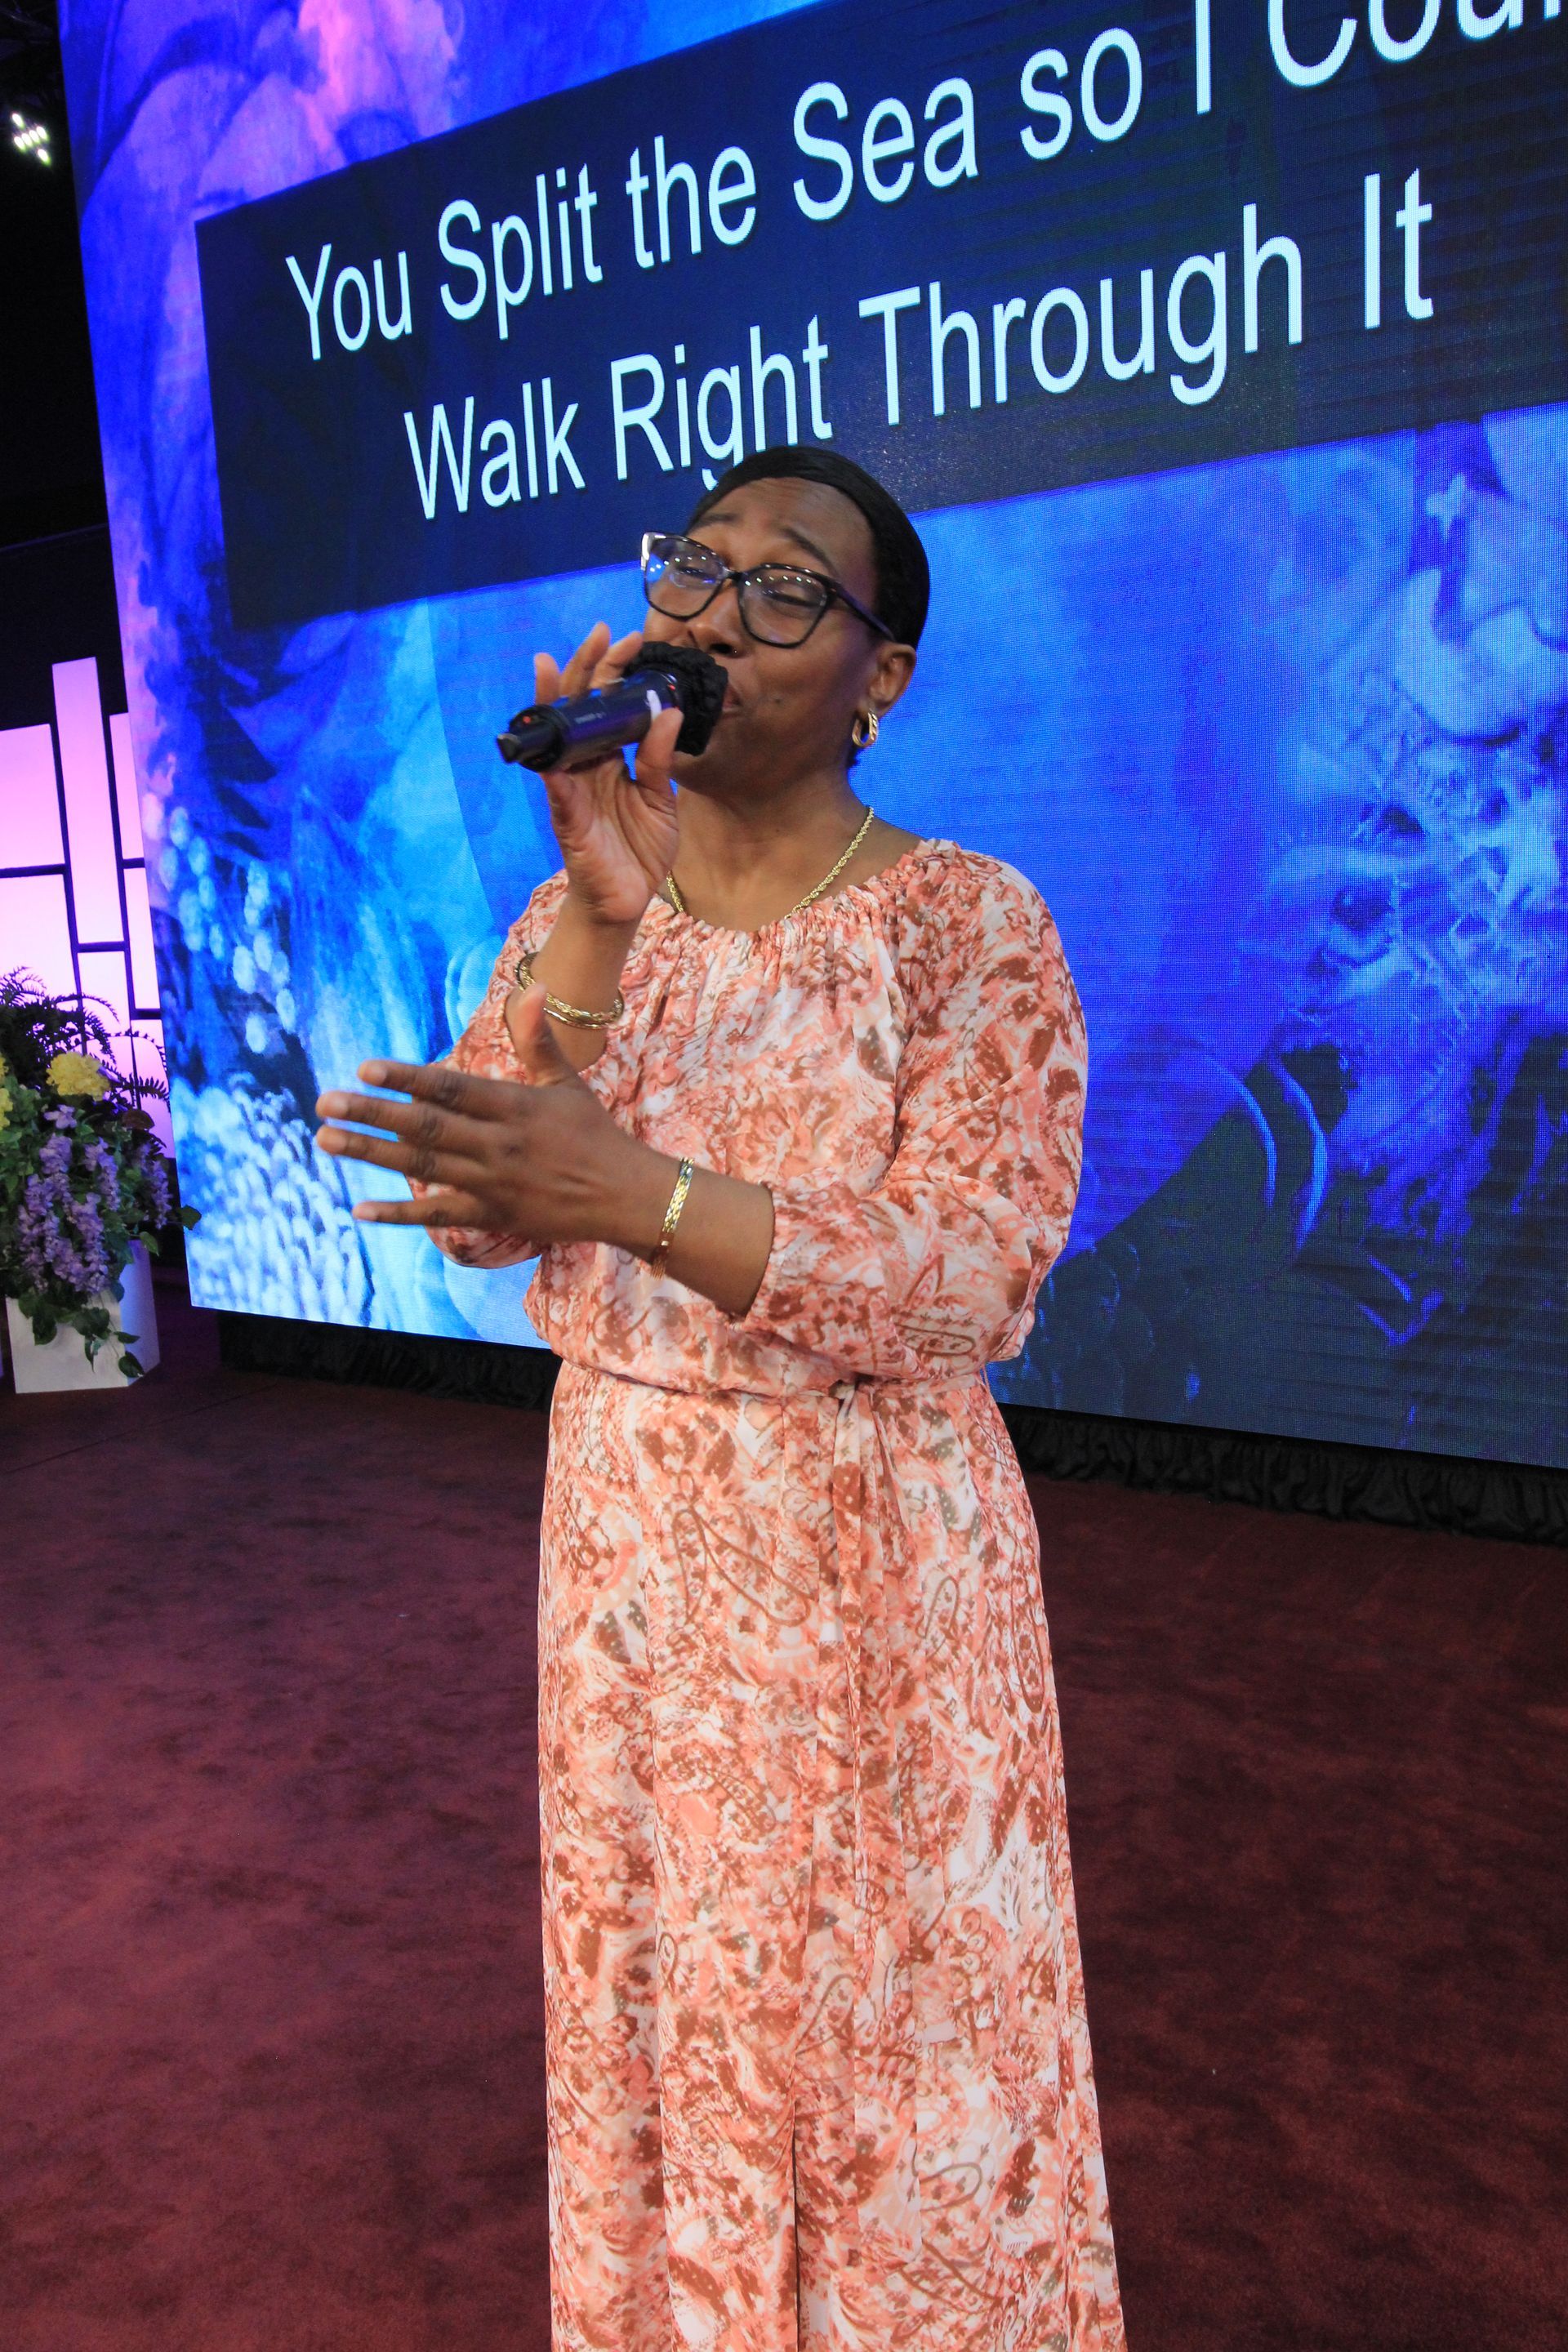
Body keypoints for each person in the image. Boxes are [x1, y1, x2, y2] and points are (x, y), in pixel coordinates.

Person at [314, 448, 1125, 2352]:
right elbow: (468, 1222)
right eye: (697, 571)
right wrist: (600, 911)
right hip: (631, 1566)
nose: (710, 618)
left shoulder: (968, 925)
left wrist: (650, 1201)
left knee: (895, 2040)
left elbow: (979, 1269)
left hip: (877, 1579)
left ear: (881, 677)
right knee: (664, 2005)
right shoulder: (576, 914)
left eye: (785, 594)